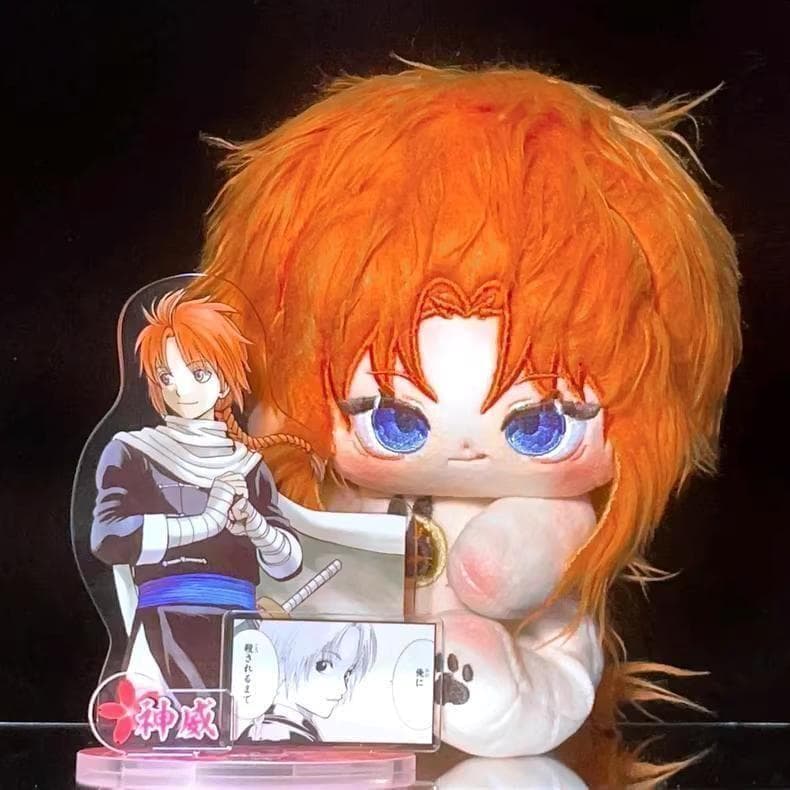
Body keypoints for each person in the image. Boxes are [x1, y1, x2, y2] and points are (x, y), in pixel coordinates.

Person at [199, 65, 741, 758]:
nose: (466, 450)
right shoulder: (338, 489)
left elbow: (513, 564)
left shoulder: (549, 514)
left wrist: (501, 567)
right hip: (351, 683)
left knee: (517, 667)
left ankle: (501, 695)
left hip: (525, 657)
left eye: (538, 425)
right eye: (396, 421)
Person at [91, 290, 311, 690]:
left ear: (225, 379)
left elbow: (289, 563)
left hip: (240, 625)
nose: (182, 389)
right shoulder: (132, 451)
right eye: (167, 377)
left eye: (199, 373)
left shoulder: (248, 466)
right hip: (164, 619)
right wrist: (203, 522)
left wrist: (255, 525)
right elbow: (108, 539)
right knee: (176, 712)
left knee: (241, 715)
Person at [240, 622, 377, 743]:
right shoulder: (279, 734)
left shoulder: (293, 729)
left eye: (347, 673)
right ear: (280, 660)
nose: (343, 688)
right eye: (323, 666)